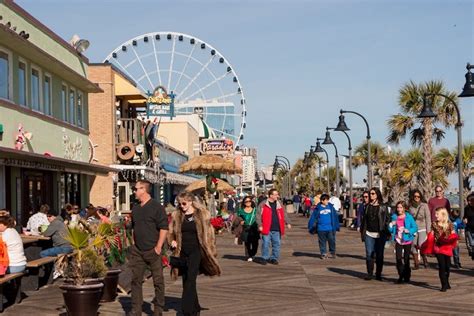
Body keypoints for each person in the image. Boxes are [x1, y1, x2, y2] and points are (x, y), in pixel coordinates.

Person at [168, 191, 221, 316]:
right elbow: (170, 232)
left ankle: (187, 310)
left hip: (197, 250)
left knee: (191, 279)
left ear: (191, 201)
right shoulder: (177, 215)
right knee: (186, 280)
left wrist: (211, 248)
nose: (182, 206)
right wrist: (172, 241)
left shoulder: (202, 214)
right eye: (179, 204)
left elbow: (209, 233)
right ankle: (195, 307)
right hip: (182, 251)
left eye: (184, 203)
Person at [128, 180, 168, 316]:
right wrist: (134, 243)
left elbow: (164, 227)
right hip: (138, 250)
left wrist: (158, 247)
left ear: (143, 190)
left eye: (136, 189)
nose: (134, 191)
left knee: (158, 281)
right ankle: (136, 309)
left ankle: (158, 309)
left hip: (153, 250)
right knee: (135, 280)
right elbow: (134, 227)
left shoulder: (157, 207)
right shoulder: (136, 208)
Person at [421, 207, 458, 292]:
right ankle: (443, 284)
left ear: (443, 215)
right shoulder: (434, 224)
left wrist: (454, 241)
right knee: (442, 266)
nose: (435, 215)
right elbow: (431, 235)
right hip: (438, 247)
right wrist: (426, 245)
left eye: (437, 214)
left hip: (447, 247)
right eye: (435, 214)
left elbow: (453, 234)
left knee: (447, 266)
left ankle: (447, 281)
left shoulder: (449, 224)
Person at [360, 187, 390, 281]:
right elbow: (364, 220)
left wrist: (386, 231)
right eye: (370, 194)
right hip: (369, 233)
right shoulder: (367, 206)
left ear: (377, 194)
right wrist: (362, 231)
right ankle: (369, 273)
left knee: (379, 255)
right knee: (369, 254)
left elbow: (387, 219)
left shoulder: (383, 206)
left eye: (373, 194)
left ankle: (378, 274)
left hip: (380, 234)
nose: (371, 195)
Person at [256, 189, 291, 265]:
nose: (277, 196)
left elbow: (284, 214)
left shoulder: (279, 204)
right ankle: (264, 257)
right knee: (265, 243)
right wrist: (259, 225)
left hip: (277, 228)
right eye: (275, 194)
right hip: (266, 227)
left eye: (277, 194)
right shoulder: (263, 204)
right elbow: (258, 215)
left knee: (277, 244)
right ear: (270, 195)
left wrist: (288, 222)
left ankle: (274, 258)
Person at [389, 201, 418, 283]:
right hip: (398, 240)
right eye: (398, 207)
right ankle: (401, 275)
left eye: (401, 207)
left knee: (406, 259)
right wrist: (391, 225)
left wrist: (409, 230)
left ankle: (407, 276)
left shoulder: (409, 217)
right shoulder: (394, 217)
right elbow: (391, 230)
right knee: (398, 259)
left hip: (407, 240)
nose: (399, 209)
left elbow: (415, 227)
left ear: (404, 208)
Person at [309, 194, 340, 259]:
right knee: (322, 242)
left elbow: (335, 217)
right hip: (321, 228)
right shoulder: (318, 208)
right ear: (322, 201)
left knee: (332, 241)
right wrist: (310, 226)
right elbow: (313, 217)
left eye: (328, 200)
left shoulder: (331, 207)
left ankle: (332, 253)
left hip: (330, 228)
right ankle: (323, 253)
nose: (327, 201)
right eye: (326, 200)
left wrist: (337, 226)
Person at [408, 189, 431, 269]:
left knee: (421, 245)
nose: (417, 198)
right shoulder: (410, 206)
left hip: (422, 227)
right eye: (415, 196)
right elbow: (408, 218)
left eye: (418, 196)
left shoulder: (424, 205)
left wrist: (428, 230)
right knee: (413, 245)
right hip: (413, 228)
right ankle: (416, 263)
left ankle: (424, 259)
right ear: (412, 197)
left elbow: (428, 217)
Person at [237, 197, 260, 262]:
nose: (248, 202)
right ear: (244, 203)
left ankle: (253, 254)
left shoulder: (255, 210)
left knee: (255, 243)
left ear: (251, 202)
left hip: (254, 228)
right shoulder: (240, 211)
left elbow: (260, 218)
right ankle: (249, 255)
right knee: (247, 243)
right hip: (246, 228)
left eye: (249, 201)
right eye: (246, 201)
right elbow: (237, 218)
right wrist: (240, 221)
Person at [464, 192, 474, 260]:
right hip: (469, 229)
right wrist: (464, 219)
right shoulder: (467, 208)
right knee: (472, 245)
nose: (470, 202)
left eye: (471, 200)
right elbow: (465, 216)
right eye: (468, 201)